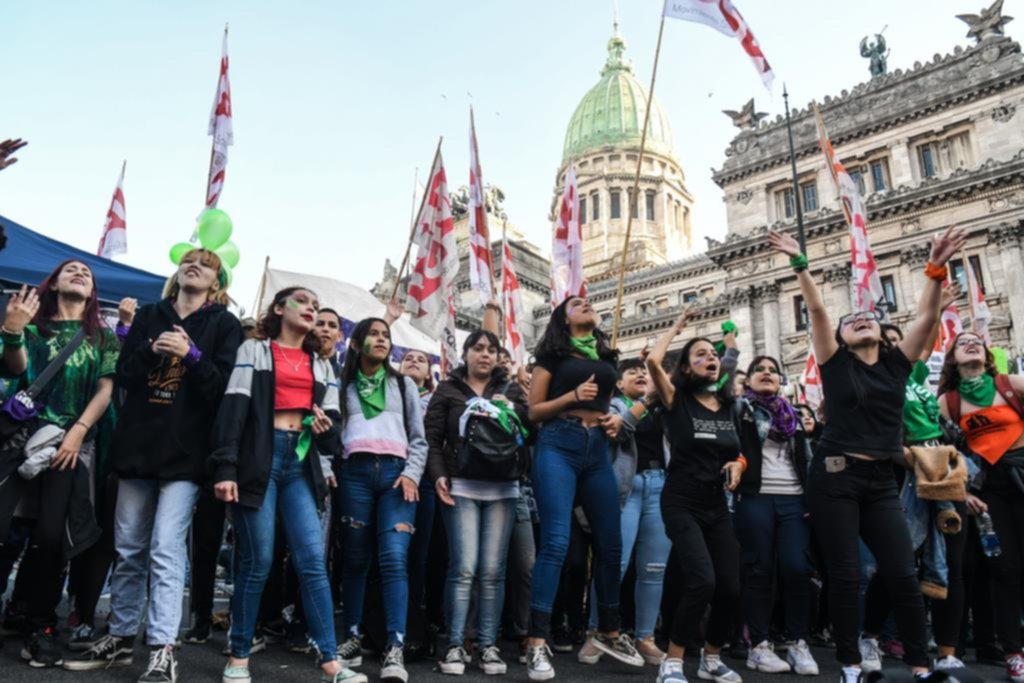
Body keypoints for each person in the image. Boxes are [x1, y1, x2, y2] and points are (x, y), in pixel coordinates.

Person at [767, 225, 964, 682]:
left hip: (880, 482)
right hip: (834, 479)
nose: (861, 318)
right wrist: (800, 262)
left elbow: (927, 319)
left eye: (868, 317)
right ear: (839, 335)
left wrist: (934, 268)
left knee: (900, 572)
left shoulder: (898, 365)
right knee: (847, 573)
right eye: (850, 319)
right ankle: (851, 666)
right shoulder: (835, 365)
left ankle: (920, 665)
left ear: (882, 333)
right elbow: (816, 308)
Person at [65, 248, 242, 683]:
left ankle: (163, 646)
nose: (194, 266)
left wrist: (192, 355)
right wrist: (148, 349)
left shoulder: (223, 324)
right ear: (178, 273)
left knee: (165, 549)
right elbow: (121, 374)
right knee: (128, 549)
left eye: (205, 264)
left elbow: (223, 390)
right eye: (188, 261)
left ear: (216, 283)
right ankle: (123, 636)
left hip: (185, 455)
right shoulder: (150, 314)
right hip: (138, 448)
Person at [209, 286, 364, 683]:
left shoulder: (321, 364)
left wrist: (326, 428)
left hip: (300, 463)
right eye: (302, 301)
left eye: (315, 305)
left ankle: (330, 661)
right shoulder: (255, 351)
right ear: (279, 308)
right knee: (256, 562)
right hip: (257, 461)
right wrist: (226, 468)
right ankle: (239, 656)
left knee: (312, 561)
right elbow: (233, 410)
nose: (311, 308)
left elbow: (332, 434)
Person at [0, 261, 117, 668]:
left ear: (92, 292)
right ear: (55, 283)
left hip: (70, 446)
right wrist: (12, 331)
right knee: (5, 531)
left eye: (87, 271)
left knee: (52, 539)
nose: (80, 272)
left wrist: (78, 430)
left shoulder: (100, 336)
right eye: (70, 269)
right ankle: (14, 614)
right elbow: (13, 369)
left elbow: (106, 391)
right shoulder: (30, 328)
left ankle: (39, 624)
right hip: (20, 443)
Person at [522, 296, 643, 681]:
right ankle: (536, 641)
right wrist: (572, 398)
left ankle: (609, 629)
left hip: (597, 451)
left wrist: (611, 420)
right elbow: (534, 411)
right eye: (577, 303)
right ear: (564, 317)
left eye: (589, 302)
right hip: (558, 443)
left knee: (611, 544)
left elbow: (611, 406)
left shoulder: (607, 358)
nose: (587, 304)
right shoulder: (552, 357)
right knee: (556, 542)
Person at [645, 312, 745, 683]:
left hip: (716, 504)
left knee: (731, 585)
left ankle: (712, 657)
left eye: (712, 354)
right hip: (681, 499)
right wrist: (677, 330)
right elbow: (654, 362)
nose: (710, 358)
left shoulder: (730, 406)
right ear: (686, 368)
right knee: (701, 579)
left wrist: (737, 463)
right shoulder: (677, 400)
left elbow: (735, 450)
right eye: (699, 354)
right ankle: (673, 661)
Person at [426, 329, 531, 675]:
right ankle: (455, 644)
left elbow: (533, 431)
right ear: (466, 353)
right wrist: (439, 474)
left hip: (503, 488)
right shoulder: (448, 389)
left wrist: (513, 409)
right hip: (461, 485)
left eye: (491, 349)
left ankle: (487, 645)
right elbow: (432, 436)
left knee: (492, 571)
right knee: (464, 567)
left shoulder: (511, 389)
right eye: (478, 348)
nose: (485, 354)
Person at [336, 317, 427, 683]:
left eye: (386, 335)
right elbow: (331, 432)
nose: (381, 340)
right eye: (373, 334)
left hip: (396, 478)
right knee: (355, 559)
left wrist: (411, 473)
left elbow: (419, 439)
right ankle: (354, 637)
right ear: (356, 344)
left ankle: (395, 645)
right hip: (353, 475)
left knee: (393, 558)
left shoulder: (402, 384)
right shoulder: (341, 386)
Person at [938, 331, 1024, 682]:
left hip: (1022, 473)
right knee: (1005, 571)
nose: (971, 343)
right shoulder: (948, 402)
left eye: (976, 340)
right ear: (953, 358)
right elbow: (944, 454)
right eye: (962, 342)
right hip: (988, 491)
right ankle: (1014, 652)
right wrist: (964, 492)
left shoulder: (1010, 384)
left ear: (987, 354)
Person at [578, 357, 671, 667]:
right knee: (613, 563)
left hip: (660, 488)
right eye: (633, 371)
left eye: (646, 372)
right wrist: (646, 399)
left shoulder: (663, 407)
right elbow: (621, 432)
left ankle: (645, 637)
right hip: (625, 490)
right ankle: (596, 631)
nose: (641, 375)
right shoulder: (613, 406)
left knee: (654, 568)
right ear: (618, 382)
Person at [732, 355, 819, 676]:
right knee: (759, 570)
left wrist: (812, 496)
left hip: (794, 499)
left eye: (772, 371)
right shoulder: (740, 409)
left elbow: (807, 458)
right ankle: (759, 644)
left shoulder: (793, 414)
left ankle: (798, 641)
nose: (767, 374)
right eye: (760, 370)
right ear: (749, 380)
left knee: (797, 569)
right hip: (755, 497)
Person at [315, 308, 345, 377]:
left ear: (339, 336)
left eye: (332, 326)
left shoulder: (346, 377)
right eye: (320, 324)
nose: (325, 329)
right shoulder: (296, 366)